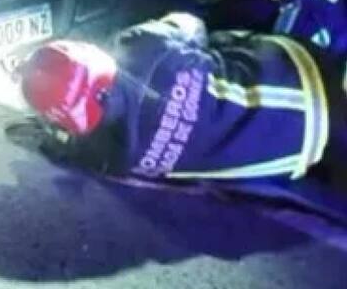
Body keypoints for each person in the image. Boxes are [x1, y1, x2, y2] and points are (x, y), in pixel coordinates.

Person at [18, 11, 342, 183]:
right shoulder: (141, 44)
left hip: (300, 153)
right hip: (301, 69)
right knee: (216, 40)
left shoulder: (115, 159)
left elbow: (70, 149)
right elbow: (189, 23)